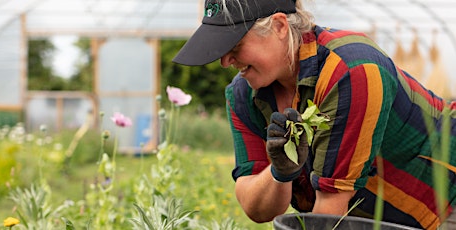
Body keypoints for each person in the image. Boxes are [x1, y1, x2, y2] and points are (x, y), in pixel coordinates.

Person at [172, 0, 456, 229]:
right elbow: (255, 208)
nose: (225, 62)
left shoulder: (352, 70)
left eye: (234, 46)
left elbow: (329, 212)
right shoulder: (243, 96)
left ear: (280, 26)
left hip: (441, 202)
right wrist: (280, 172)